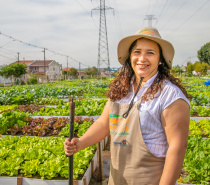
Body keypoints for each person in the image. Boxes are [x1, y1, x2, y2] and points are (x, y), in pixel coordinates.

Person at [64, 27, 190, 185]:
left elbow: (177, 147)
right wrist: (80, 143)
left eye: (150, 53)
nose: (142, 58)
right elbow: (104, 123)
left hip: (151, 180)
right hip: (117, 179)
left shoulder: (170, 95)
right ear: (130, 56)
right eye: (137, 52)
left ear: (160, 59)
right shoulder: (122, 89)